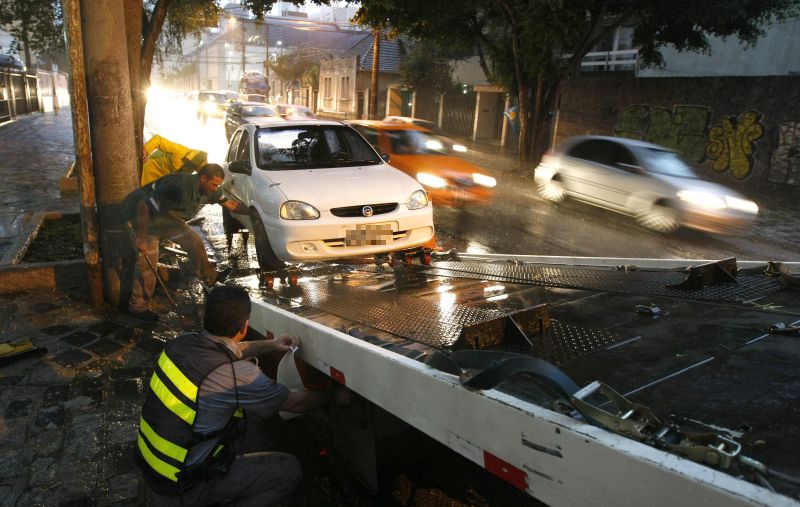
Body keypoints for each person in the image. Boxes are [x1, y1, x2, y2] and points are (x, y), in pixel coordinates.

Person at [137, 285, 350, 506]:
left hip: (155, 472)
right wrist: (334, 396)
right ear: (244, 325)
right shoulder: (236, 375)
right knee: (288, 470)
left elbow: (226, 350)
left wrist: (271, 345)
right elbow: (294, 403)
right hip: (183, 488)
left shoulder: (179, 344)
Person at [120, 163, 253, 321]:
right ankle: (138, 306)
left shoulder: (211, 190)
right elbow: (143, 205)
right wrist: (141, 237)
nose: (215, 188)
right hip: (144, 220)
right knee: (148, 264)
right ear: (202, 178)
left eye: (218, 185)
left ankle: (210, 277)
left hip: (169, 219)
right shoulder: (178, 187)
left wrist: (253, 213)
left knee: (194, 241)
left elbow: (230, 204)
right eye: (213, 184)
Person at [141, 134, 208, 186]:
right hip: (143, 169)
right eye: (200, 169)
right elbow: (159, 140)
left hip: (147, 186)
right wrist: (146, 151)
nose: (197, 172)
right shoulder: (181, 151)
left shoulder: (188, 172)